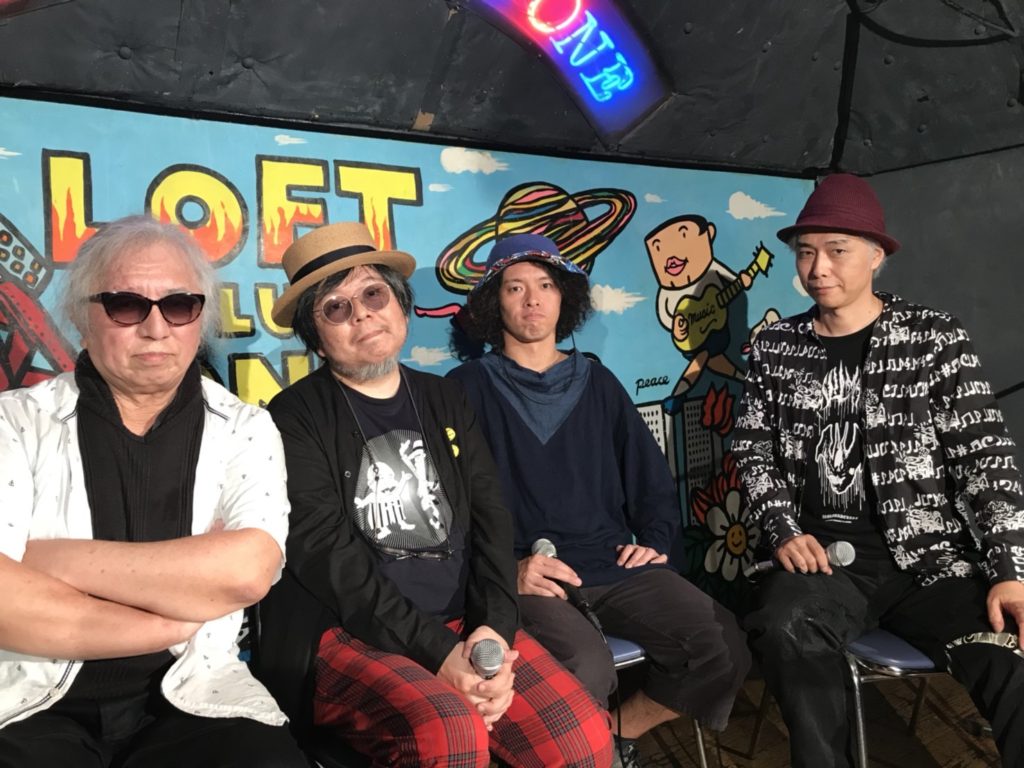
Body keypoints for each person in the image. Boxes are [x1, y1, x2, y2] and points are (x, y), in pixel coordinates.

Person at [263, 222, 612, 768]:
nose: (362, 316)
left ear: (399, 305)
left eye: (373, 294)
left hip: (462, 620)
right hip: (347, 633)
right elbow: (330, 560)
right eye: (336, 308)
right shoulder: (292, 417)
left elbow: (491, 518)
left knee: (584, 742)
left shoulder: (444, 397)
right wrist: (441, 653)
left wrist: (493, 629)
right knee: (450, 735)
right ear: (315, 333)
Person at [732, 173, 1024, 767]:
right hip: (822, 565)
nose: (818, 268)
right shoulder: (775, 347)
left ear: (876, 256)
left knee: (1007, 658)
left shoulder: (932, 338)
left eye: (837, 250)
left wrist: (1010, 569)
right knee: (787, 630)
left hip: (931, 563)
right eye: (806, 252)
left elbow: (986, 460)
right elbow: (752, 449)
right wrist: (784, 529)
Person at [0, 216, 305, 767]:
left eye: (179, 305)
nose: (156, 328)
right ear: (81, 319)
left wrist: (46, 561)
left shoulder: (246, 428)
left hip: (200, 696)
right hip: (30, 703)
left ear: (200, 319)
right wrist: (171, 622)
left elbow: (247, 571)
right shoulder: (15, 423)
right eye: (126, 305)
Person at [448, 233, 751, 768]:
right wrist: (506, 572)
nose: (532, 299)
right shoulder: (463, 388)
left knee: (720, 643)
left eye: (545, 285)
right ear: (494, 303)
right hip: (528, 577)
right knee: (584, 666)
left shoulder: (599, 382)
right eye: (515, 288)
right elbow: (446, 509)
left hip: (610, 564)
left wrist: (655, 542)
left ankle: (611, 736)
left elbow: (650, 480)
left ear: (564, 298)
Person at [643, 215, 750, 414]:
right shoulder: (667, 293)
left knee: (711, 361)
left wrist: (743, 280)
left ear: (709, 234)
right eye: (658, 248)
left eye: (683, 236)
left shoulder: (713, 270)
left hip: (717, 329)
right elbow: (667, 316)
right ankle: (680, 395)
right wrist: (678, 328)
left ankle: (679, 395)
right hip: (693, 338)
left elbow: (734, 283)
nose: (671, 255)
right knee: (706, 360)